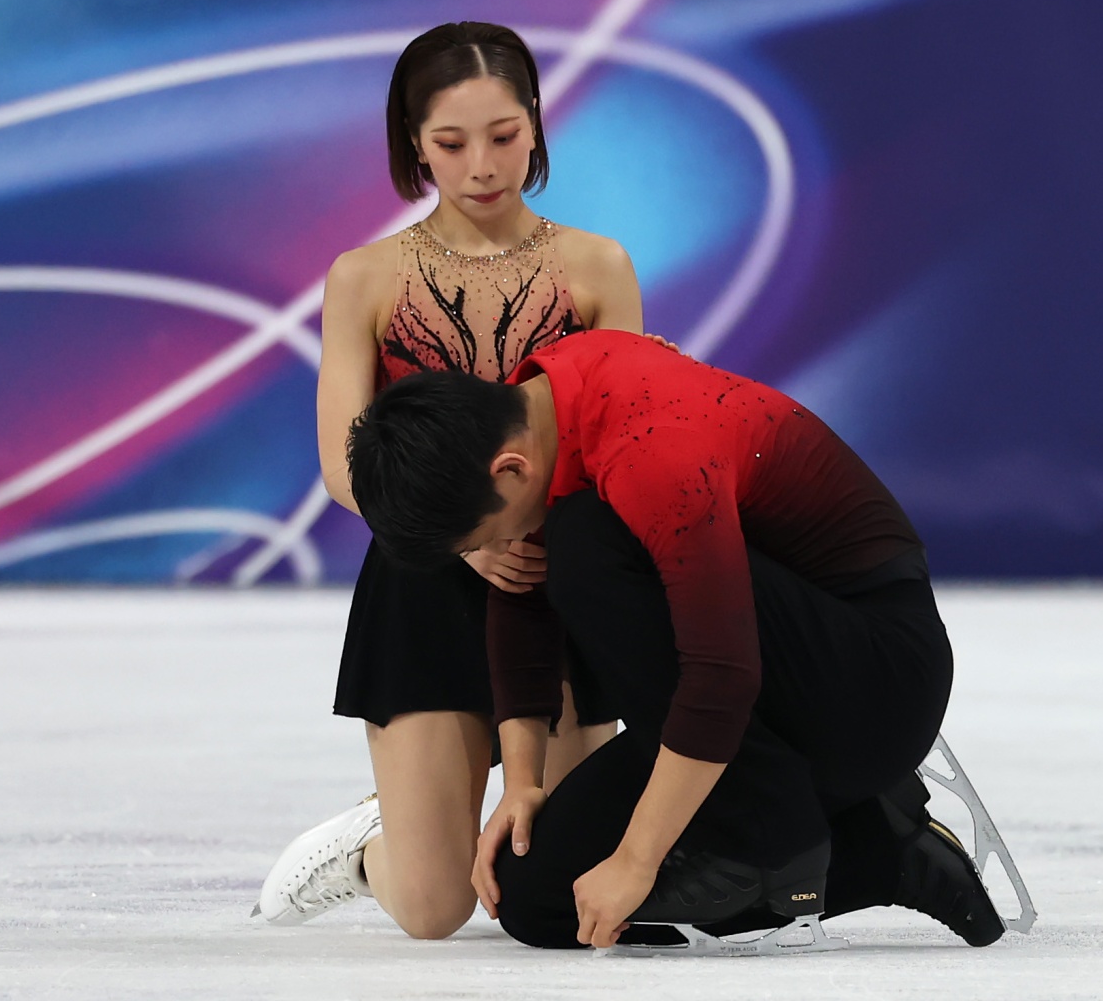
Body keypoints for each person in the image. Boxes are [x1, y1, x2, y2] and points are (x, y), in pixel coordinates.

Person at [344, 329, 1006, 950]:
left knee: (585, 546)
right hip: (766, 709)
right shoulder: (537, 401)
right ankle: (880, 854)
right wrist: (522, 780)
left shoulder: (651, 453)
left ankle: (777, 835)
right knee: (537, 902)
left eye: (489, 536)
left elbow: (721, 673)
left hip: (875, 686)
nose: (502, 554)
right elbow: (521, 596)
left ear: (509, 469)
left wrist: (637, 860)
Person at [254, 22, 662, 938]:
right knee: (436, 912)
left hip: (558, 587)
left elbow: (621, 445)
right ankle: (371, 848)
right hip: (427, 579)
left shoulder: (598, 269)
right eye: (450, 143)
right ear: (411, 142)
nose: (482, 165)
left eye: (505, 135)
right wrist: (467, 541)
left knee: (548, 879)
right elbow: (342, 463)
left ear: (537, 125)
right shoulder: (366, 277)